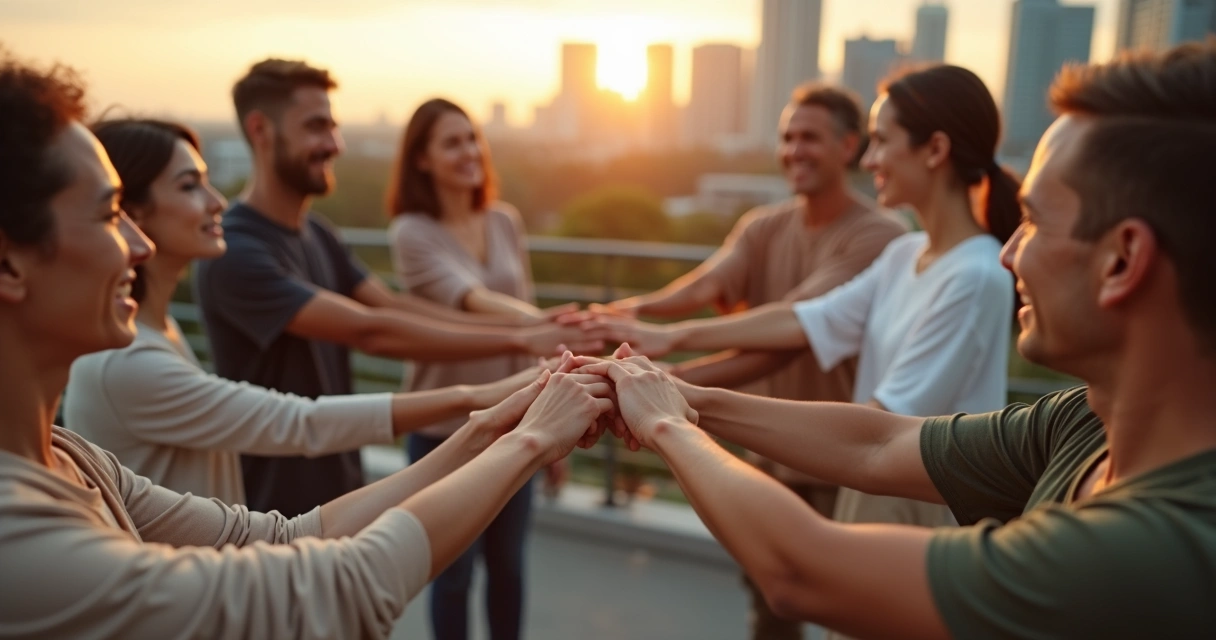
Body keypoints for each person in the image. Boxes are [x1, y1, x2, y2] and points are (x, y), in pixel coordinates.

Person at [579, 40, 1216, 638]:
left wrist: (668, 424)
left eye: (1035, 222)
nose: (1010, 254)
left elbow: (803, 568)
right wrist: (675, 388)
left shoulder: (1154, 546)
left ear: (1122, 260)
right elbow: (881, 442)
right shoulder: (1080, 425)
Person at [0, 50, 615, 639]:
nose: (138, 247)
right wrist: (526, 426)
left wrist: (496, 418)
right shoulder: (22, 532)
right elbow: (330, 570)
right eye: (111, 215)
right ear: (9, 263)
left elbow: (282, 538)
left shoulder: (77, 461)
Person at [593, 65, 1019, 557]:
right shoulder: (906, 254)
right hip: (877, 488)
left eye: (881, 141)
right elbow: (806, 319)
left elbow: (882, 431)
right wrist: (671, 336)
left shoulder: (975, 276)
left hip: (926, 511)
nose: (870, 157)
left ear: (937, 150)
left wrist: (681, 395)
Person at [62, 118, 548, 505]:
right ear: (132, 214)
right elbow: (309, 409)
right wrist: (503, 379)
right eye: (190, 186)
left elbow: (392, 309)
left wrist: (534, 332)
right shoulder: (127, 360)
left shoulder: (157, 331)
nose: (216, 201)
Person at [195, 58, 602, 518]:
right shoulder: (237, 250)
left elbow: (395, 306)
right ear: (260, 130)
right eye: (316, 127)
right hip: (266, 504)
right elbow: (372, 331)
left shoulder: (319, 234)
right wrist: (521, 335)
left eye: (334, 126)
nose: (335, 144)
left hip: (336, 482)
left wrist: (530, 326)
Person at [592, 84, 905, 640]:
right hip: (765, 454)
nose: (794, 150)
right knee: (769, 607)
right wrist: (623, 313)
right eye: (786, 138)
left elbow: (795, 327)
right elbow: (709, 283)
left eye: (809, 137)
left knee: (851, 614)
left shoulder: (880, 235)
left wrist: (669, 367)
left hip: (840, 457)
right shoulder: (763, 226)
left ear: (849, 146)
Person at [385, 98, 560, 640]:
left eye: (472, 138)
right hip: (447, 429)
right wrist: (546, 323)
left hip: (517, 421)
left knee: (509, 568)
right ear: (422, 160)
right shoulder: (412, 232)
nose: (468, 151)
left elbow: (528, 336)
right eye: (451, 142)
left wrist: (552, 418)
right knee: (454, 574)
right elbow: (471, 298)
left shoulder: (504, 220)